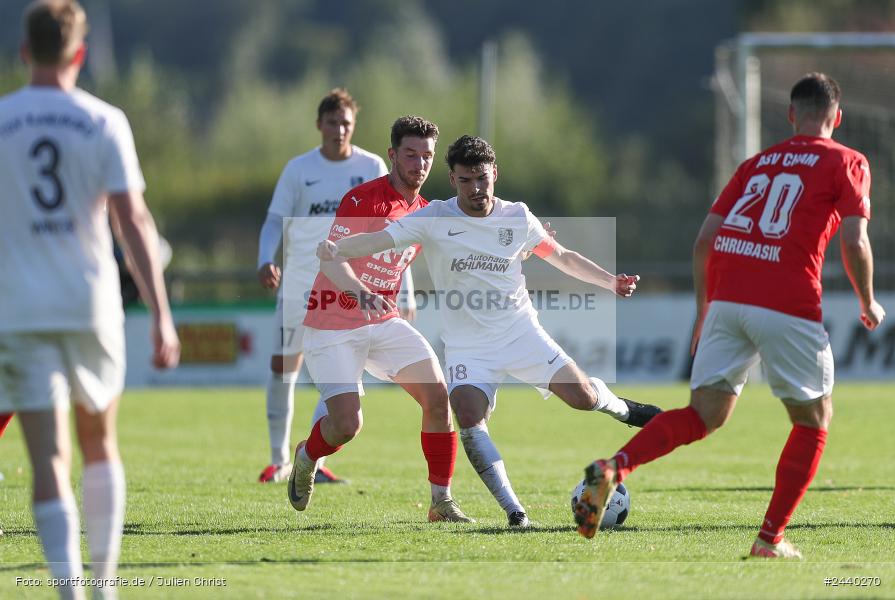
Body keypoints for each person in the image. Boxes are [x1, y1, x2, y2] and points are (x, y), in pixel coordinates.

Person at [574, 73, 885, 556]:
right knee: (812, 421)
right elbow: (854, 239)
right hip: (788, 301)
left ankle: (614, 467)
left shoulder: (757, 164)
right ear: (837, 118)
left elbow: (704, 241)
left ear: (790, 115)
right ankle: (769, 540)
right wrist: (867, 301)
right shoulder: (847, 160)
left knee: (703, 415)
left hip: (728, 299)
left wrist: (704, 311)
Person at [318, 135, 662, 527]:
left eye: (482, 178)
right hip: (468, 349)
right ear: (452, 180)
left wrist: (610, 282)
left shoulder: (516, 216)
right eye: (466, 180)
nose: (476, 189)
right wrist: (337, 249)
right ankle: (516, 513)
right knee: (466, 414)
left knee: (583, 398)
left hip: (521, 334)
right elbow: (378, 240)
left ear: (494, 174)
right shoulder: (434, 218)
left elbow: (561, 256)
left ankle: (623, 408)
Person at [0, 2, 180, 599]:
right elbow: (133, 222)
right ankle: (104, 588)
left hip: (20, 309)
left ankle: (70, 592)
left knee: (47, 458)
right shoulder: (104, 120)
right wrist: (160, 314)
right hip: (90, 303)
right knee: (99, 441)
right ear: (79, 53)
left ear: (25, 51)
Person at [287, 116, 473, 523]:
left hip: (382, 320)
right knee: (346, 424)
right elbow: (332, 258)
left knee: (438, 395)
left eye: (426, 156)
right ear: (392, 155)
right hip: (332, 320)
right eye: (410, 154)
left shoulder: (425, 211)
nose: (419, 164)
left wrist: (522, 245)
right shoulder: (363, 200)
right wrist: (360, 292)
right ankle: (306, 456)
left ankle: (440, 502)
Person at [255, 88, 398, 485]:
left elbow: (394, 230)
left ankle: (312, 458)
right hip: (300, 285)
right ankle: (277, 459)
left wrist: (403, 288)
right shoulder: (298, 170)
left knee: (341, 371)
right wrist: (265, 258)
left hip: (348, 288)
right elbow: (273, 221)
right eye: (332, 122)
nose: (339, 130)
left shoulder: (371, 167)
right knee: (284, 368)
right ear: (319, 124)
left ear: (354, 126)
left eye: (346, 124)